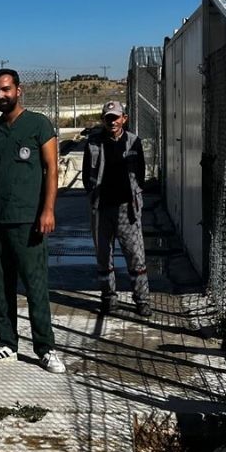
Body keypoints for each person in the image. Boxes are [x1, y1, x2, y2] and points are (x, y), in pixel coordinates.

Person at [0, 69, 64, 374]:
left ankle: (45, 348)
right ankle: (7, 343)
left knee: (35, 285)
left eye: (6, 90)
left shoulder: (38, 124)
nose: (1, 96)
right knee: (1, 284)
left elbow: (52, 170)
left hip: (29, 221)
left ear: (19, 90)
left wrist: (47, 210)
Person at [83, 101, 151, 317]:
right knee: (104, 256)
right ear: (103, 120)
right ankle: (109, 299)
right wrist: (93, 193)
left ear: (124, 118)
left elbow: (140, 173)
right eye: (108, 118)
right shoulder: (93, 143)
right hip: (101, 208)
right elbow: (87, 175)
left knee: (135, 256)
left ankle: (142, 300)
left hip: (126, 209)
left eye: (116, 117)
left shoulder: (133, 142)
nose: (112, 122)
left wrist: (134, 195)